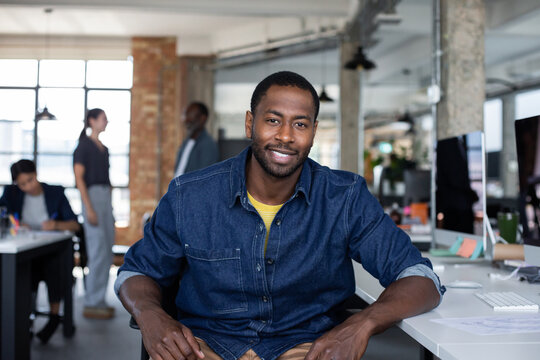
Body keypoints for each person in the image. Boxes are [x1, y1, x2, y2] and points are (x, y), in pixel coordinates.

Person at [116, 71, 444, 360]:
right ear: (250, 123)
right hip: (204, 346)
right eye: (273, 120)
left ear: (313, 132)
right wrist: (150, 315)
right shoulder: (190, 196)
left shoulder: (344, 198)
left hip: (305, 348)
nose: (286, 136)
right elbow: (134, 273)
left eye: (299, 124)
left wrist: (361, 324)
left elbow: (420, 278)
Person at [0, 159, 80, 344]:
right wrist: (14, 222)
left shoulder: (56, 192)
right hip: (26, 248)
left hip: (53, 250)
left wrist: (56, 225)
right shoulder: (11, 193)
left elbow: (75, 224)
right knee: (20, 270)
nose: (27, 186)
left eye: (30, 180)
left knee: (53, 266)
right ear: (15, 184)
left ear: (36, 174)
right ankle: (23, 319)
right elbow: (2, 212)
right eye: (22, 184)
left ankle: (54, 317)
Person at [73, 108, 116, 319]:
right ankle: (91, 301)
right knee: (97, 251)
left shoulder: (104, 148)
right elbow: (79, 179)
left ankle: (99, 299)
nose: (106, 121)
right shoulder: (84, 146)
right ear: (92, 121)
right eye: (103, 118)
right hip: (92, 199)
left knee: (107, 251)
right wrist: (88, 208)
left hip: (105, 200)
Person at [173, 101, 219, 177]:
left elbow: (204, 178)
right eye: (186, 115)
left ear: (202, 118)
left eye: (190, 115)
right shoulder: (186, 142)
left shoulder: (208, 145)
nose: (186, 119)